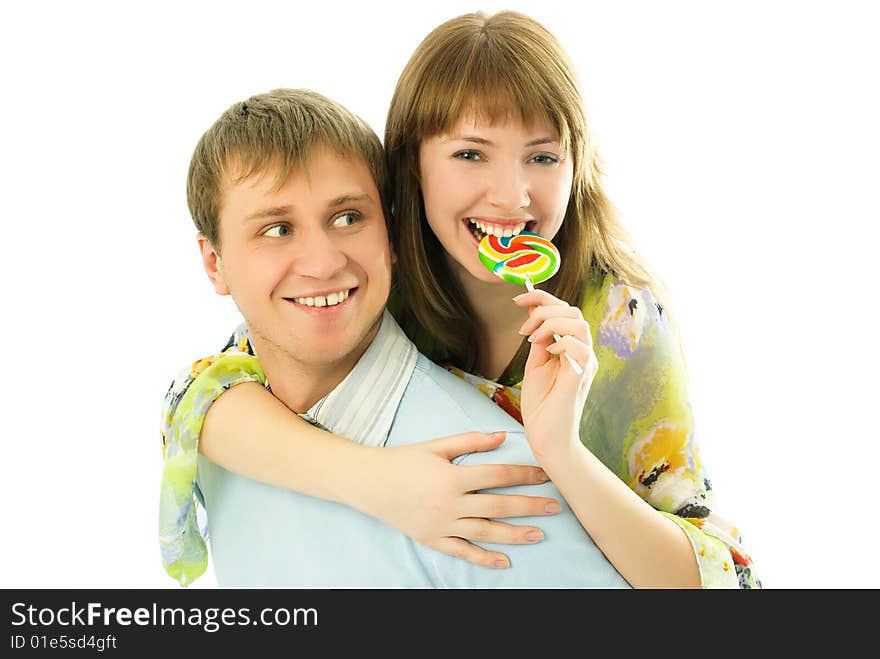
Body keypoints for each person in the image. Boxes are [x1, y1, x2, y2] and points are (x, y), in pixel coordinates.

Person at [161, 10, 760, 589]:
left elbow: (719, 581)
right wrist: (377, 483)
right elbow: (205, 396)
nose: (510, 195)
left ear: (576, 167)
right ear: (411, 171)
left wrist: (564, 454)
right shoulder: (367, 287)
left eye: (543, 156)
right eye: (470, 154)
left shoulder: (619, 322)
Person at [168, 86, 630, 587]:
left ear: (390, 237)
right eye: (277, 229)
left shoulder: (491, 483)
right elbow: (189, 398)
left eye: (348, 218)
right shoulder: (213, 423)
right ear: (214, 264)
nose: (323, 264)